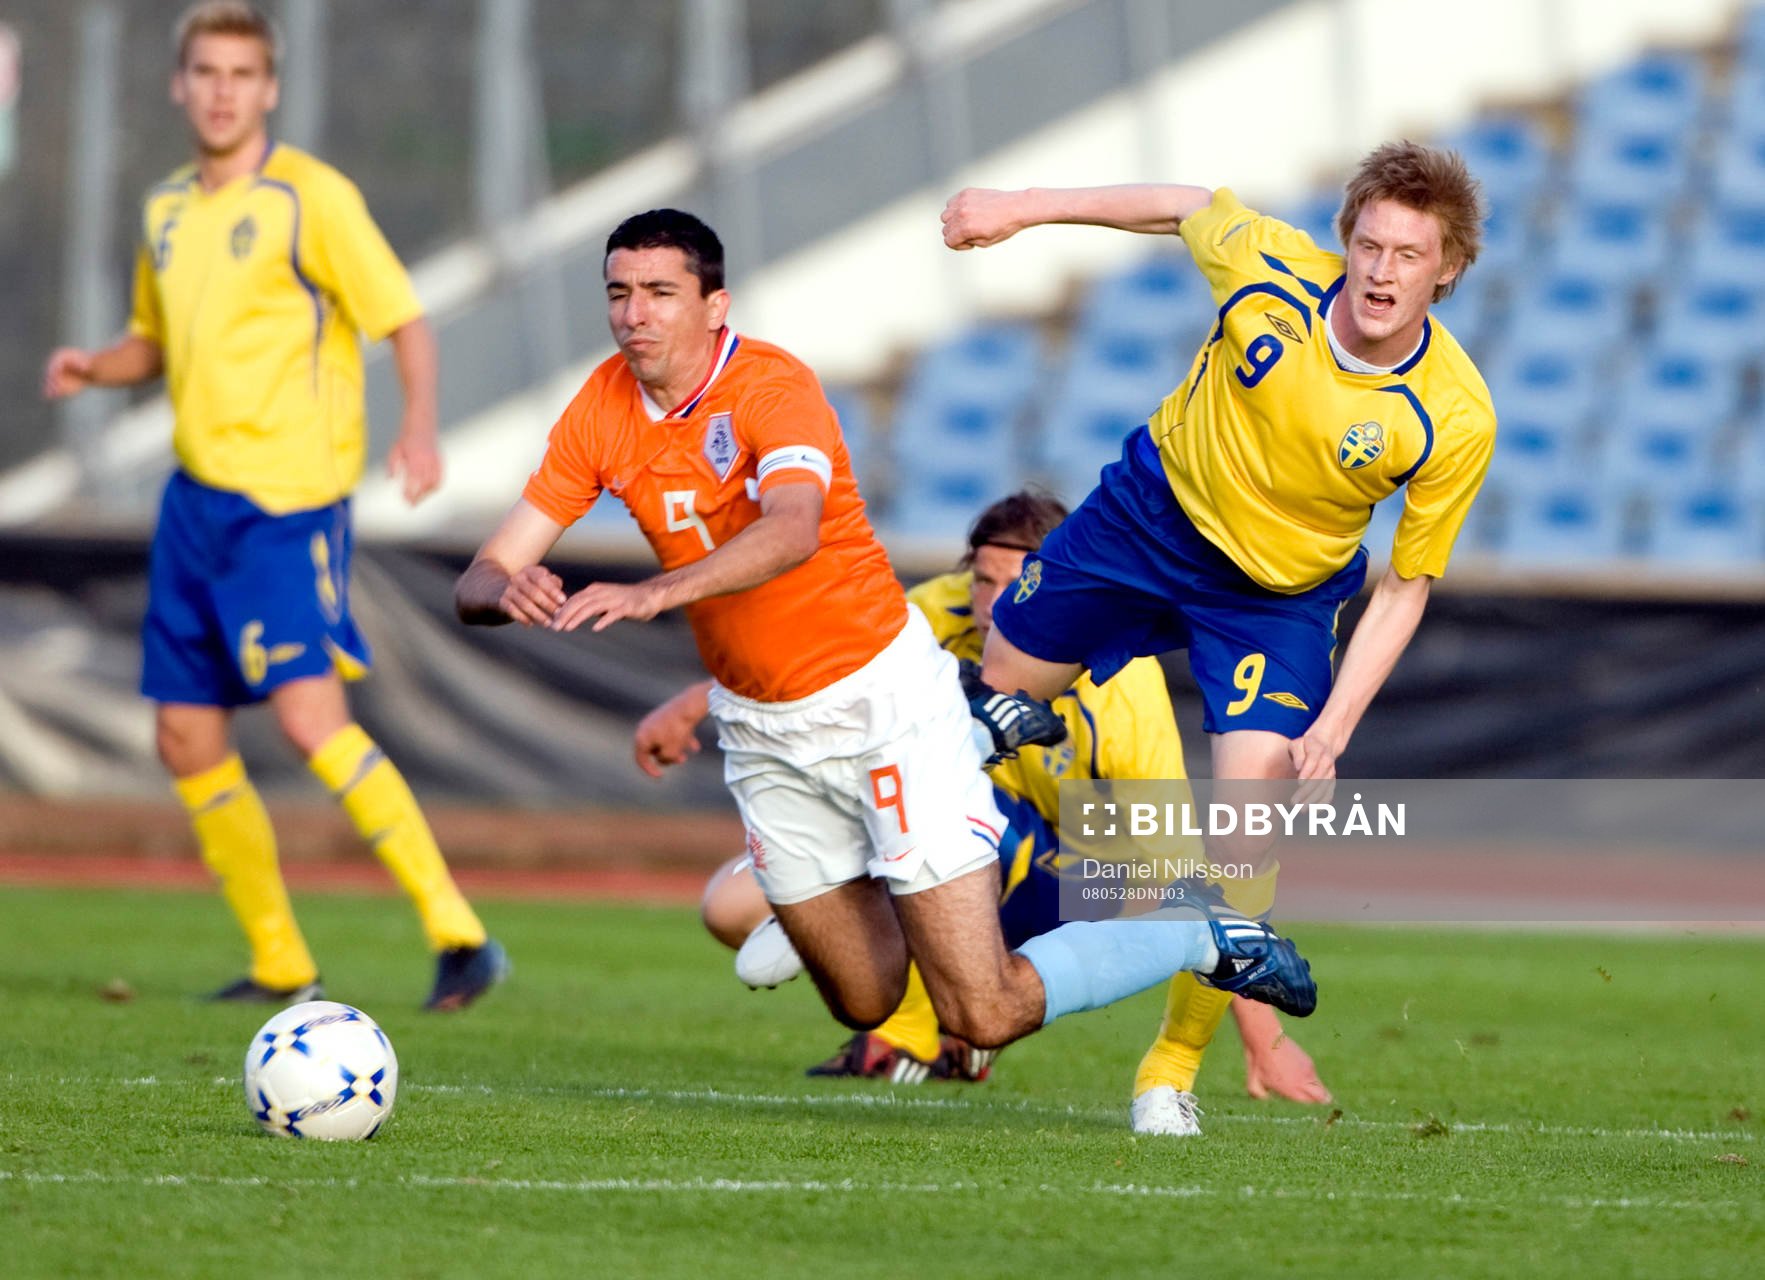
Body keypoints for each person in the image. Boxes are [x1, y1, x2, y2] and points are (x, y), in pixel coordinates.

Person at [454, 208, 1318, 1064]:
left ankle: (1192, 934)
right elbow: (480, 575)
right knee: (864, 999)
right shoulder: (600, 408)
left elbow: (793, 528)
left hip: (884, 705)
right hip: (764, 731)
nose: (634, 313)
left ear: (714, 306)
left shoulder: (770, 386)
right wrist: (509, 586)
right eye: (619, 293)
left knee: (981, 1012)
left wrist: (658, 592)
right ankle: (897, 844)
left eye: (658, 293)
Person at [41, 2, 505, 1010]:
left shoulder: (310, 198)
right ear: (180, 84)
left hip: (288, 506)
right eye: (205, 71)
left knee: (306, 716)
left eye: (240, 74)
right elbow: (153, 342)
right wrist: (95, 363)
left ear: (269, 90)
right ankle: (281, 959)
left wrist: (418, 426)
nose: (220, 89)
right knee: (183, 738)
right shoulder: (167, 208)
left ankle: (459, 932)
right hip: (193, 505)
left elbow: (403, 317)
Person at [670, 492, 1332, 1131]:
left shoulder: (1123, 694)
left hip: (1082, 884)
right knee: (731, 908)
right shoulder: (932, 613)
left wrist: (1256, 1032)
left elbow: (1200, 889)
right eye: (981, 581)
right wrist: (690, 704)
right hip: (945, 837)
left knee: (968, 797)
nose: (992, 605)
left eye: (1015, 585)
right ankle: (929, 1017)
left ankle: (917, 1037)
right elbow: (821, 664)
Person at [939, 144, 1495, 805]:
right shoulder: (1267, 266)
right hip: (1146, 519)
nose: (1381, 272)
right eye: (1369, 246)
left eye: (1408, 255)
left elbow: (1405, 589)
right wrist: (1021, 208)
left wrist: (1332, 731)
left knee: (1250, 822)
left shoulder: (1455, 416)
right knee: (991, 704)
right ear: (1346, 241)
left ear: (1447, 268)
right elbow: (1183, 207)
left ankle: (1226, 911)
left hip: (1274, 596)